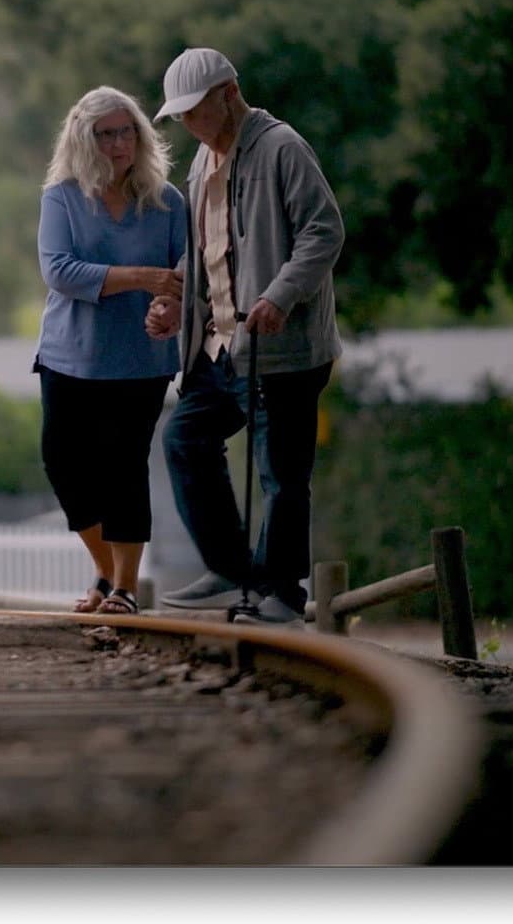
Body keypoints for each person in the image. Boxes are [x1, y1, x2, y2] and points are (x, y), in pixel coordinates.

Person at [144, 47, 344, 623]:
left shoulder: (283, 148)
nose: (186, 123)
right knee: (184, 440)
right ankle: (232, 570)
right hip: (219, 347)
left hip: (282, 349)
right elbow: (208, 255)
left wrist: (279, 296)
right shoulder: (202, 164)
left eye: (194, 110)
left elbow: (323, 231)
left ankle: (281, 593)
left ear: (229, 94)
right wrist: (174, 303)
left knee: (280, 475)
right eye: (178, 114)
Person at [33, 86, 187, 616]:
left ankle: (124, 587)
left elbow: (187, 274)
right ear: (83, 139)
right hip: (68, 354)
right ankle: (103, 565)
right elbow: (59, 271)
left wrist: (170, 305)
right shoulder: (62, 198)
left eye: (127, 132)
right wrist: (142, 278)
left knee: (124, 467)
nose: (118, 144)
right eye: (106, 134)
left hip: (141, 359)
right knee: (63, 462)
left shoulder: (168, 203)